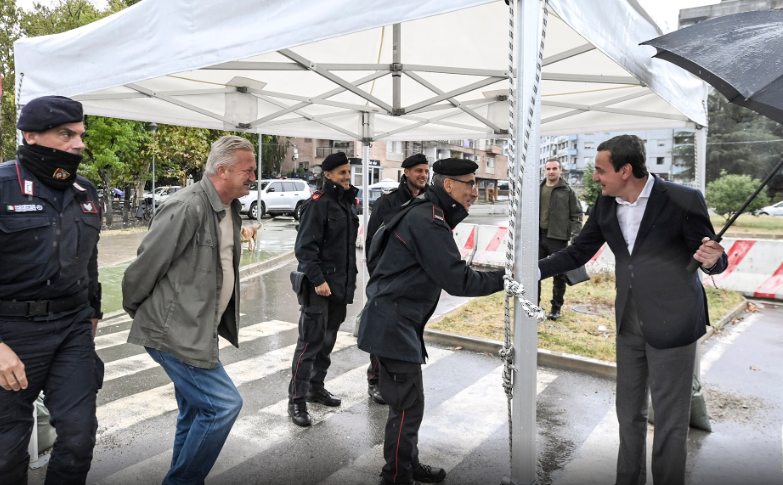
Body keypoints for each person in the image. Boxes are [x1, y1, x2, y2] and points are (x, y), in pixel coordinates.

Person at [538, 135, 727, 485]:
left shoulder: (682, 200)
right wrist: (532, 269)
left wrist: (715, 261)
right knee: (628, 414)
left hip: (675, 323)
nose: (595, 177)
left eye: (600, 170)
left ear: (625, 170)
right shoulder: (605, 204)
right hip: (628, 321)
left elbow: (711, 256)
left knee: (670, 422)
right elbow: (578, 252)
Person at [358, 158, 505, 485]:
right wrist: (506, 279)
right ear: (449, 185)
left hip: (397, 320)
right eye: (471, 185)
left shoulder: (425, 211)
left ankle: (406, 466)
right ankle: (396, 476)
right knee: (406, 408)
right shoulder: (427, 219)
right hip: (392, 324)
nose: (476, 193)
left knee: (411, 404)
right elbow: (458, 280)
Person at [122, 135, 254, 485]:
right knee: (223, 406)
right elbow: (144, 266)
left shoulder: (231, 209)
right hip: (175, 330)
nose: (254, 176)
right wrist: (148, 316)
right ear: (222, 170)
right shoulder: (188, 206)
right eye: (248, 170)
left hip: (198, 330)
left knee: (195, 411)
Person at [0, 96, 103, 485]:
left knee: (79, 439)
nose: (78, 143)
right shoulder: (3, 186)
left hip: (72, 328)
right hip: (11, 333)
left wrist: (93, 313)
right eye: (66, 135)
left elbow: (89, 259)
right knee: (6, 454)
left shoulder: (85, 191)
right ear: (31, 136)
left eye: (79, 135)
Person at [288, 152, 359, 427]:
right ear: (327, 175)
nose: (346, 177)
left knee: (327, 343)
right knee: (309, 345)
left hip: (339, 289)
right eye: (341, 172)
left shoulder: (346, 204)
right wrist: (318, 280)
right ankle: (296, 401)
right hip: (319, 288)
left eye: (348, 172)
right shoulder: (318, 204)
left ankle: (316, 388)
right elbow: (305, 249)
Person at [364, 153, 430, 405]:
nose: (423, 175)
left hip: (413, 282)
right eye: (418, 171)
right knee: (381, 332)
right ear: (406, 173)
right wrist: (379, 278)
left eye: (426, 170)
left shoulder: (426, 201)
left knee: (403, 335)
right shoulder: (387, 203)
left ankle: (396, 380)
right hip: (387, 280)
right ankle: (375, 380)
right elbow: (373, 244)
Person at [538, 159, 583, 320]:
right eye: (548, 168)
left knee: (559, 276)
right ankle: (534, 306)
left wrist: (575, 237)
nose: (551, 171)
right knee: (534, 273)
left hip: (558, 238)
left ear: (560, 170)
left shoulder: (567, 191)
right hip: (538, 236)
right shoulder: (538, 189)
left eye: (554, 168)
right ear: (545, 171)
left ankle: (556, 308)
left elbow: (577, 215)